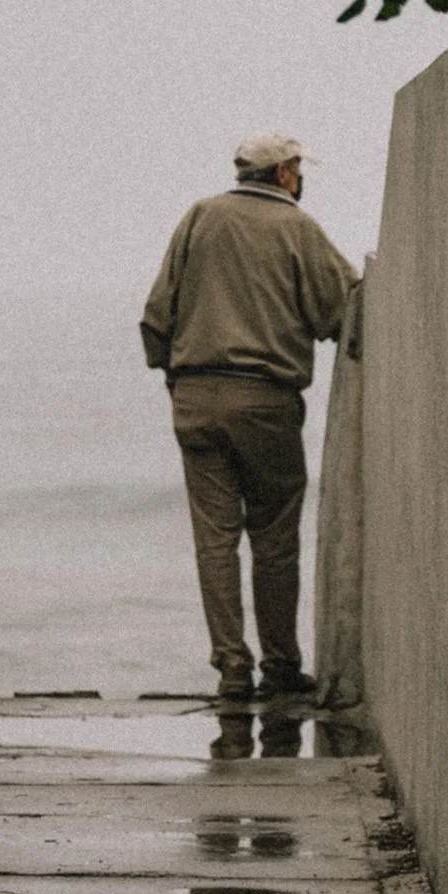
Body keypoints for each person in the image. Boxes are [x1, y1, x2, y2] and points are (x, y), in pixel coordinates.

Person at [139, 130, 356, 704]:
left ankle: (232, 667)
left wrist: (177, 380)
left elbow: (156, 316)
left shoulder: (199, 218)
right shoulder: (298, 228)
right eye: (299, 170)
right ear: (285, 173)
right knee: (275, 536)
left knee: (214, 540)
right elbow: (340, 311)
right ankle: (280, 665)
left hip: (195, 397)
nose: (301, 178)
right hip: (265, 401)